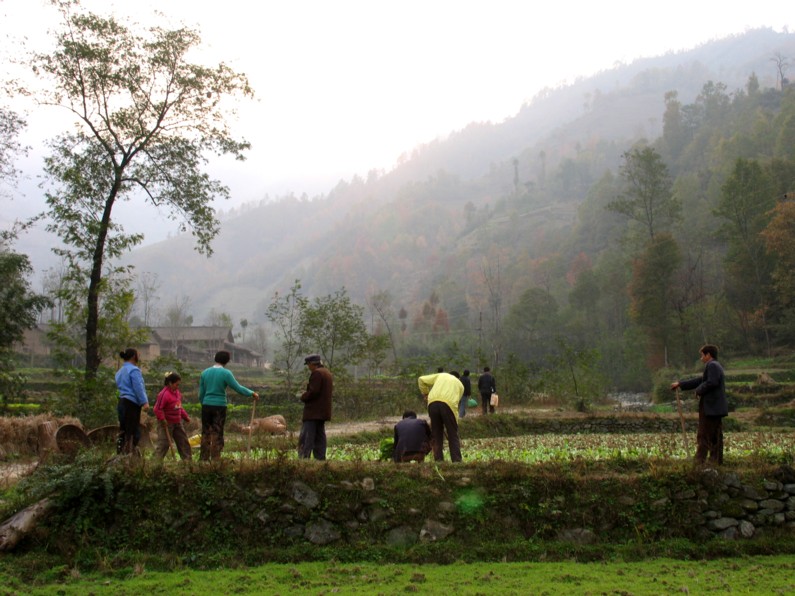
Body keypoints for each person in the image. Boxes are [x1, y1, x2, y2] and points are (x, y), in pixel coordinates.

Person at [670, 344, 728, 466]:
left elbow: (711, 382)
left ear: (708, 355)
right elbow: (701, 380)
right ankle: (715, 462)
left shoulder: (712, 365)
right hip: (715, 408)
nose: (701, 358)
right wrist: (680, 384)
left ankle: (699, 462)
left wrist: (698, 391)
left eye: (702, 355)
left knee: (704, 434)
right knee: (715, 436)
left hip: (711, 408)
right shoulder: (714, 366)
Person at [198, 350, 259, 461]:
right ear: (227, 361)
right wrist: (252, 393)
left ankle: (203, 459)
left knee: (206, 431)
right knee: (217, 431)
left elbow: (201, 394)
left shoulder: (205, 373)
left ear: (215, 358)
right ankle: (216, 458)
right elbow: (238, 388)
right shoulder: (226, 373)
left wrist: (204, 403)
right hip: (219, 406)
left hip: (206, 406)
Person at [418, 370, 464, 462]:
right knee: (453, 435)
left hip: (432, 403)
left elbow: (421, 379)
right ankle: (457, 460)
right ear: (458, 378)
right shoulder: (460, 385)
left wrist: (426, 393)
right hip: (448, 405)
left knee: (436, 434)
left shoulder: (441, 375)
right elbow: (455, 404)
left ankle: (438, 460)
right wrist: (455, 425)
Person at [115, 348, 150, 456]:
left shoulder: (120, 371)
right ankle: (129, 454)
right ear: (134, 356)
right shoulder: (134, 370)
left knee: (123, 430)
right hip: (131, 403)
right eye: (138, 354)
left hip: (122, 402)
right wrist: (144, 402)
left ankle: (120, 453)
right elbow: (138, 387)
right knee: (133, 432)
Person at [299, 354, 333, 460]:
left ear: (312, 364)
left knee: (306, 438)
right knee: (319, 438)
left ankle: (304, 460)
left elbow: (313, 392)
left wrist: (303, 396)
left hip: (313, 412)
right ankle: (320, 460)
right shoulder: (327, 373)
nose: (308, 367)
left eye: (308, 365)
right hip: (322, 412)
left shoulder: (317, 374)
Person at [153, 371, 192, 461]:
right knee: (164, 444)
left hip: (177, 422)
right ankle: (155, 463)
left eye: (179, 385)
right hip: (166, 423)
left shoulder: (177, 393)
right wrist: (162, 419)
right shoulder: (164, 394)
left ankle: (188, 462)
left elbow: (179, 407)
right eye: (176, 384)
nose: (178, 387)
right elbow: (157, 409)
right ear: (170, 383)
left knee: (183, 442)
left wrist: (185, 417)